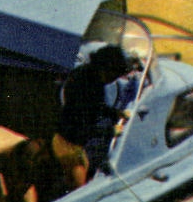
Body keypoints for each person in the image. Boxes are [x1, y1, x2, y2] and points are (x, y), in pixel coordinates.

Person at [52, 44, 138, 188]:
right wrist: (111, 131)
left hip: (65, 139)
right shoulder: (90, 85)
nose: (113, 81)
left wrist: (115, 113)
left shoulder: (86, 74)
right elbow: (84, 123)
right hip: (69, 146)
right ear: (107, 69)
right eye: (113, 76)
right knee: (79, 186)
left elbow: (95, 106)